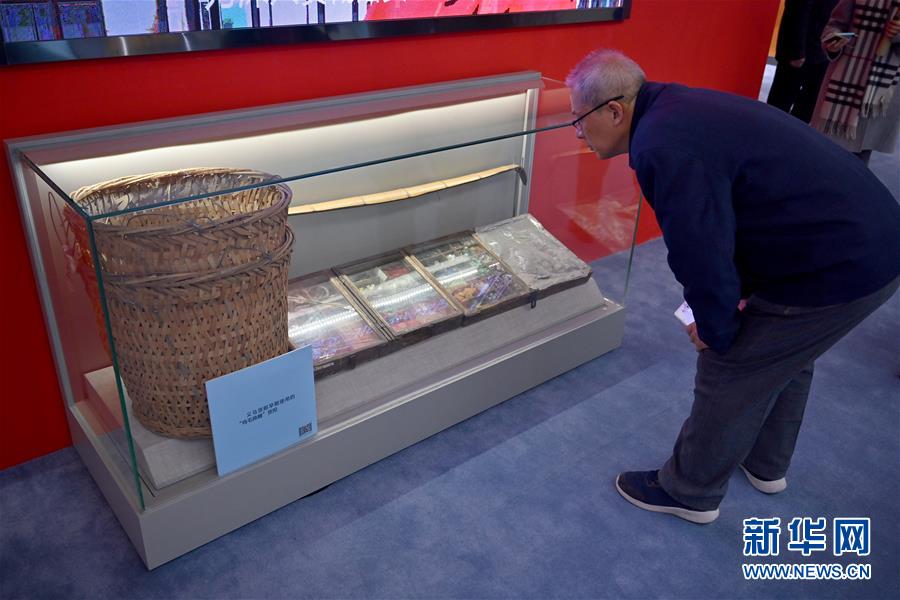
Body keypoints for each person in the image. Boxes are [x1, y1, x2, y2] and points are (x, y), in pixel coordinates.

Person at [565, 49, 900, 524]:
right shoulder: (676, 107)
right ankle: (765, 464)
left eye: (579, 121)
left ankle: (689, 490)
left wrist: (715, 328)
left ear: (614, 111)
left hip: (841, 260)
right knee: (784, 352)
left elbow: (700, 250)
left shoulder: (661, 147)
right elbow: (729, 219)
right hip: (867, 236)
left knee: (734, 363)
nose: (578, 134)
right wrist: (740, 296)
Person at [812, 0, 900, 164]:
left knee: (859, 159)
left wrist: (897, 36)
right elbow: (836, 23)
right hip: (843, 81)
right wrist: (833, 39)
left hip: (879, 94)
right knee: (825, 151)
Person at [767, 0, 840, 123]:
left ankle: (794, 133)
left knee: (809, 103)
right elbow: (797, 10)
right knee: (781, 102)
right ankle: (770, 130)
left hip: (823, 48)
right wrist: (796, 51)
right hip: (800, 49)